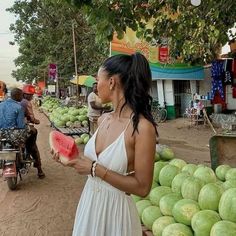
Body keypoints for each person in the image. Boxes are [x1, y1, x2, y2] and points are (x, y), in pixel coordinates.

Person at [52, 52, 157, 236]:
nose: (96, 85)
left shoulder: (142, 127)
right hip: (90, 203)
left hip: (117, 214)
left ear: (111, 82)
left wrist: (95, 169)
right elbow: (93, 164)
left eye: (98, 78)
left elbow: (142, 188)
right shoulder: (103, 119)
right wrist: (73, 160)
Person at [21, 84, 45, 179]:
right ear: (24, 94)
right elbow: (31, 117)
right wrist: (36, 121)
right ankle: (39, 170)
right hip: (23, 129)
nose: (31, 97)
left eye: (31, 95)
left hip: (8, 131)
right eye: (30, 95)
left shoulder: (12, 102)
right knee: (33, 146)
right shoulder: (26, 103)